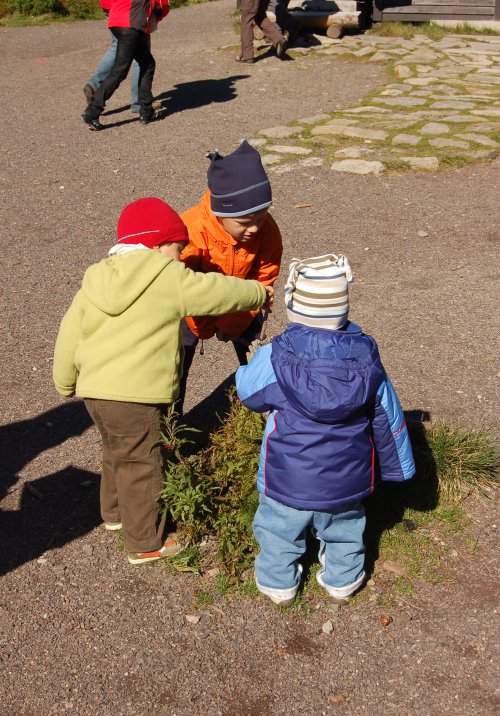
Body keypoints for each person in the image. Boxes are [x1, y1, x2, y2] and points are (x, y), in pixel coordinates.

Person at [53, 198, 273, 565]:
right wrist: (257, 292)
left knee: (116, 451)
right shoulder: (166, 277)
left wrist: (65, 382)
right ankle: (145, 541)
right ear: (157, 245)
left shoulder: (96, 279)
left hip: (96, 392)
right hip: (137, 394)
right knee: (144, 463)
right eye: (178, 248)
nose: (181, 256)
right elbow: (215, 291)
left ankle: (115, 514)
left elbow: (69, 332)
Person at [235, 253, 416, 606]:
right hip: (347, 480)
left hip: (286, 478)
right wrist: (399, 469)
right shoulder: (366, 360)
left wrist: (251, 363)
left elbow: (248, 393)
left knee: (277, 530)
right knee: (345, 531)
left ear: (293, 307)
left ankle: (278, 584)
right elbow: (388, 417)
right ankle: (342, 581)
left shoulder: (276, 357)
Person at [177, 139, 283, 418]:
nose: (255, 228)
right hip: (192, 310)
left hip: (243, 302)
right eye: (245, 223)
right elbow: (182, 288)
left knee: (259, 354)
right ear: (220, 214)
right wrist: (206, 324)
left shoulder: (267, 231)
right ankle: (169, 423)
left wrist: (233, 322)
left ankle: (267, 415)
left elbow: (264, 278)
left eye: (261, 218)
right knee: (174, 364)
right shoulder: (191, 230)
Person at [81, 0, 169, 131]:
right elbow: (161, 5)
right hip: (130, 23)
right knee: (120, 71)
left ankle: (146, 109)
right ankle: (92, 111)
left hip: (115, 18)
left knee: (147, 63)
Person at [83, 0, 146, 114]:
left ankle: (94, 85)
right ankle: (140, 103)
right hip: (131, 10)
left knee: (117, 46)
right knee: (141, 57)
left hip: (109, 5)